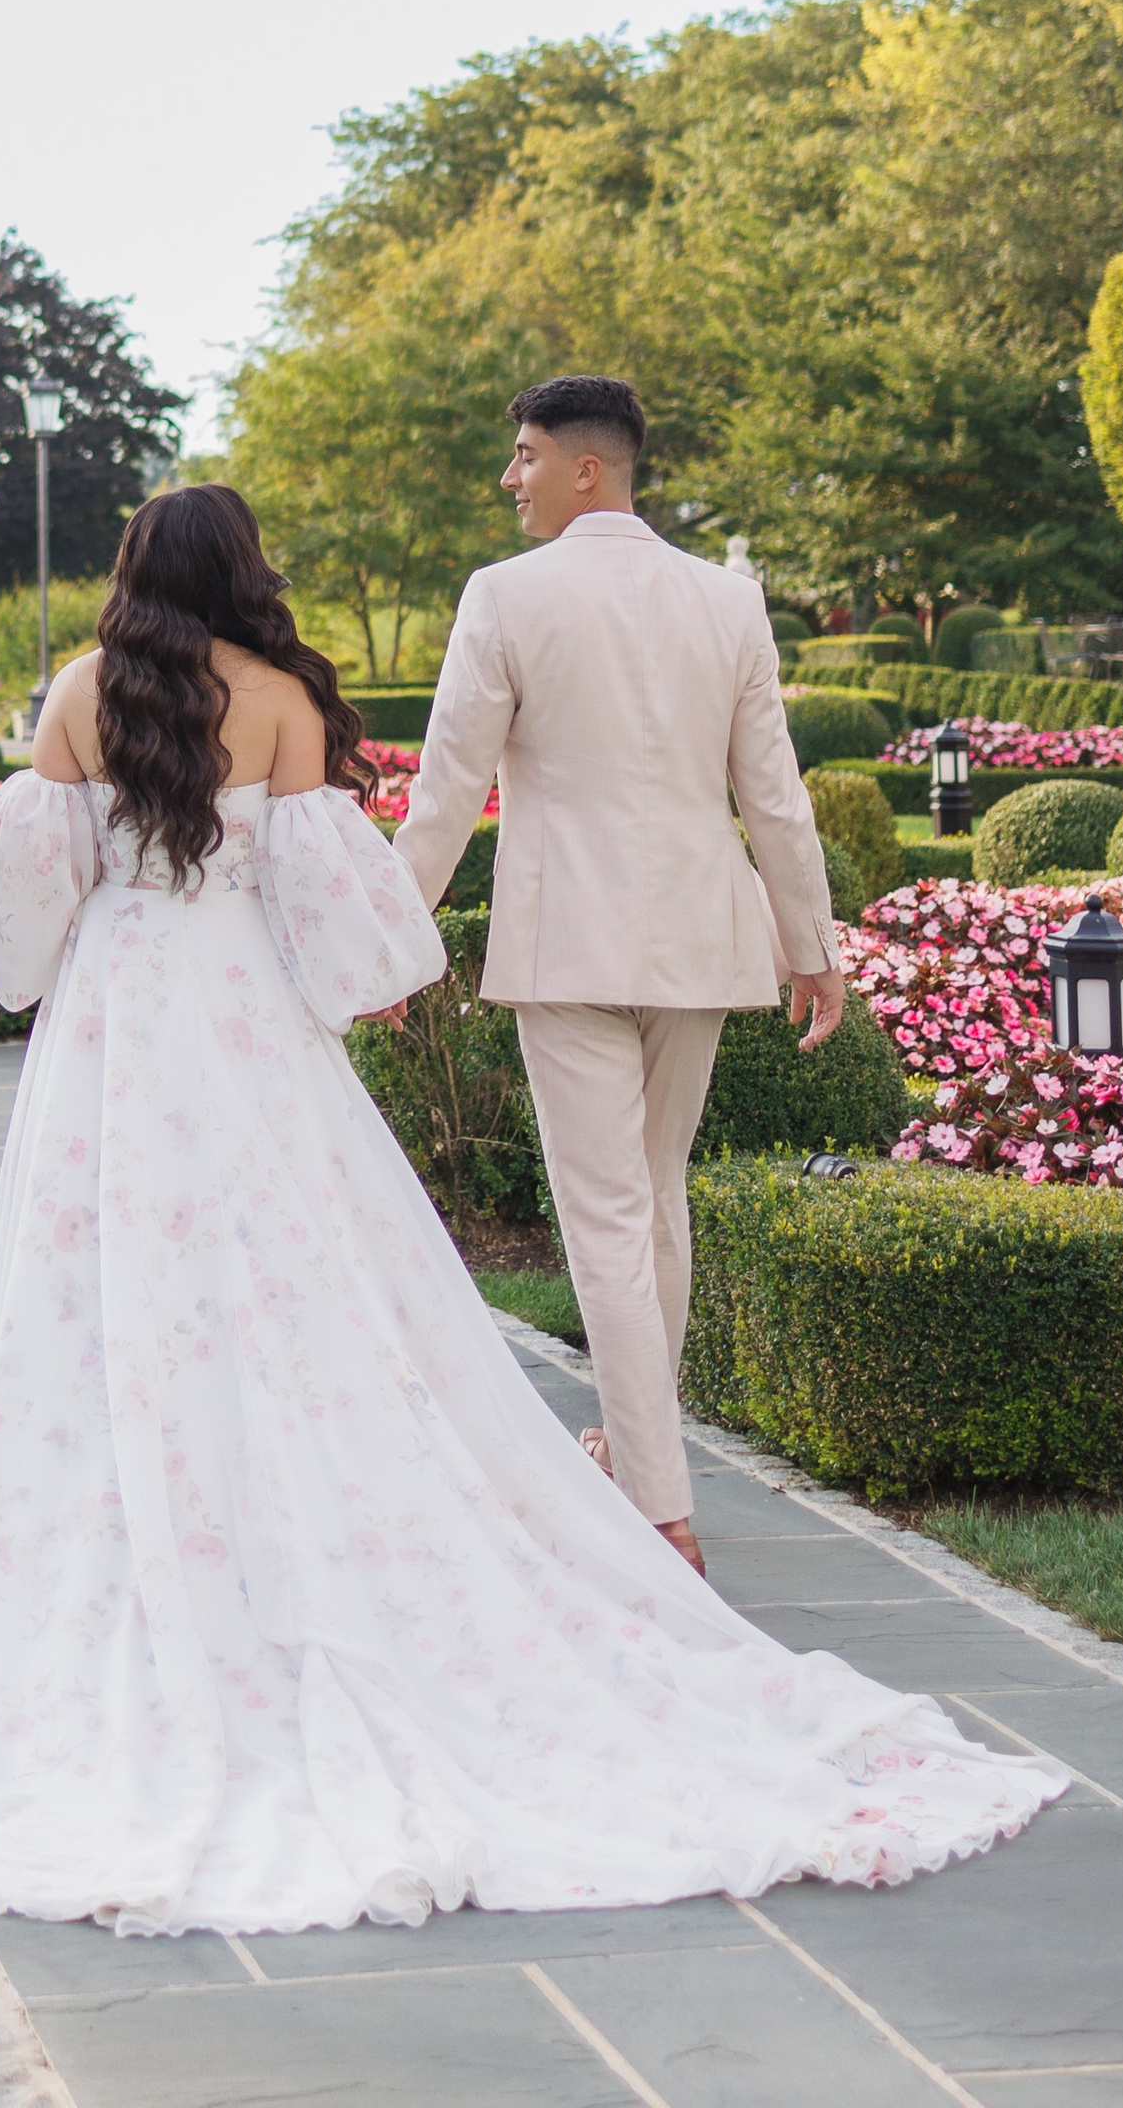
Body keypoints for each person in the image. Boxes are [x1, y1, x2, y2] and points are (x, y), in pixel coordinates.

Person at [0, 482, 1063, 1936]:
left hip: (117, 1023)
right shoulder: (280, 702)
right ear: (242, 571)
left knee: (112, 1268)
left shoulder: (79, 694)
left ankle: (139, 1521)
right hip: (244, 1019)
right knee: (303, 1271)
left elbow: (25, 891)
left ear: (133, 571)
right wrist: (365, 980)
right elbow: (330, 907)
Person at [394, 375, 841, 1574]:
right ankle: (637, 1457)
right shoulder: (727, 600)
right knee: (652, 1202)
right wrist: (813, 947)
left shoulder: (504, 595)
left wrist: (385, 939)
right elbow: (775, 797)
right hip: (697, 939)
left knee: (606, 1218)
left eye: (525, 455)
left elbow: (445, 794)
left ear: (584, 468)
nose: (511, 477)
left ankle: (657, 1508)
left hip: (569, 944)